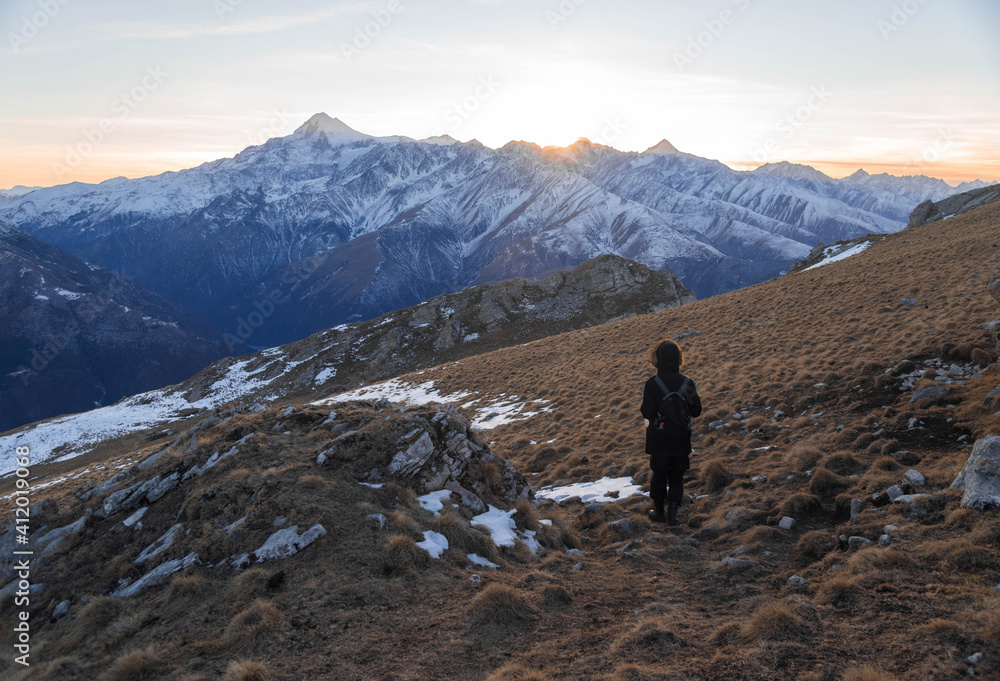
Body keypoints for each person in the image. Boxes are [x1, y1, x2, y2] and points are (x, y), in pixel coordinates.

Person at [640, 338, 702, 525]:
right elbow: (696, 411)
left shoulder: (652, 384)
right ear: (678, 359)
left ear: (658, 360)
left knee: (659, 475)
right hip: (681, 439)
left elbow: (646, 412)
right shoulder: (687, 383)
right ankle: (673, 514)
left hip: (658, 440)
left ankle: (659, 512)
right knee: (677, 476)